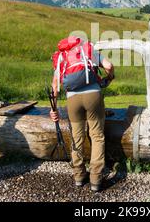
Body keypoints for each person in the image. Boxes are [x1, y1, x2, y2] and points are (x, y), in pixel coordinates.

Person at [49, 36, 114, 192]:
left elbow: (55, 86)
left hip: (72, 99)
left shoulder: (62, 57)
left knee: (76, 137)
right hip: (93, 95)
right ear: (80, 43)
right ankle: (96, 179)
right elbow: (109, 66)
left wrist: (54, 109)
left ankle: (79, 176)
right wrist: (110, 77)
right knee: (97, 136)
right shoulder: (88, 50)